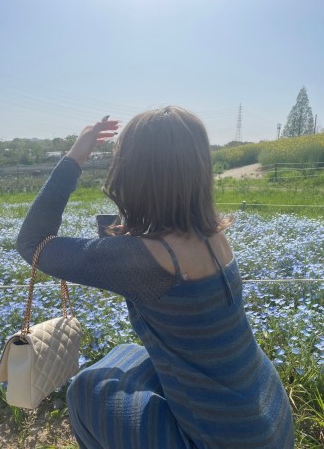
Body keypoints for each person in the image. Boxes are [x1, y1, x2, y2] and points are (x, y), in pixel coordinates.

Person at [17, 106, 294, 449]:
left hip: (221, 439)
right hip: (269, 414)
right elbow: (132, 246)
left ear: (131, 173)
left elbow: (33, 243)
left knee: (87, 387)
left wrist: (75, 156)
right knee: (127, 353)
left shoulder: (142, 258)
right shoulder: (212, 235)